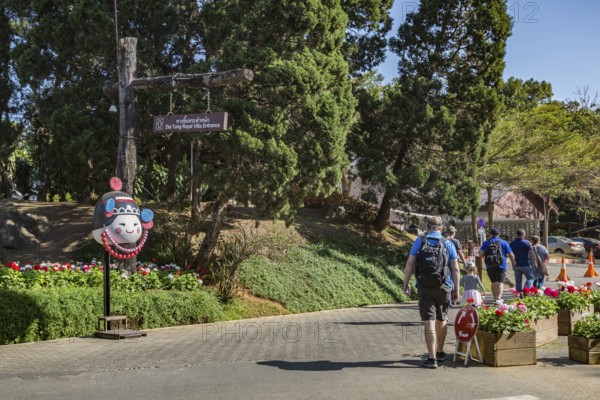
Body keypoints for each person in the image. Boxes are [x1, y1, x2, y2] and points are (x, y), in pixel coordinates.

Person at [403, 216, 459, 369]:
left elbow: (410, 263)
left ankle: (432, 358)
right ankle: (440, 352)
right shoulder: (448, 243)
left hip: (424, 287)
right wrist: (456, 290)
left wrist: (406, 284)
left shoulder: (419, 242)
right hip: (444, 286)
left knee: (429, 321)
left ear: (427, 227)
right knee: (442, 319)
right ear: (441, 228)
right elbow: (455, 269)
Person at [479, 228, 515, 304]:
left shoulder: (486, 242)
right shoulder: (503, 242)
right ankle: (498, 298)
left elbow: (480, 253)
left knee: (494, 282)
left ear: (490, 234)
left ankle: (495, 298)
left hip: (489, 265)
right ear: (498, 234)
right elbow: (511, 254)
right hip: (501, 265)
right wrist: (513, 264)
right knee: (500, 282)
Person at [509, 229, 537, 296]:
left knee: (518, 281)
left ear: (516, 234)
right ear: (523, 234)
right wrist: (534, 262)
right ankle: (526, 290)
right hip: (525, 264)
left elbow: (510, 255)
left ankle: (519, 295)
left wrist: (513, 264)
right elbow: (531, 253)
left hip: (516, 265)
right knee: (531, 278)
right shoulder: (526, 243)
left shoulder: (512, 243)